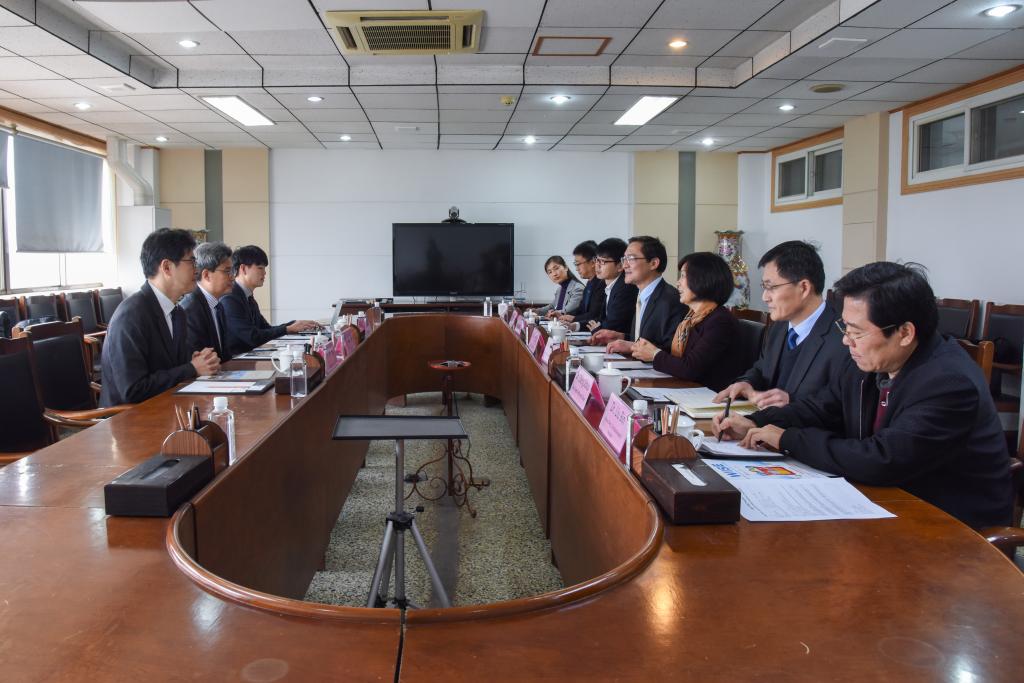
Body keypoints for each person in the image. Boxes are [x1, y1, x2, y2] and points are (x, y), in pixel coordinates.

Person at [713, 262, 1013, 530]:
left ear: (905, 333)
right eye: (844, 328)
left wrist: (786, 439)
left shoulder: (948, 383)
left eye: (856, 332)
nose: (846, 341)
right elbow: (821, 408)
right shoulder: (871, 362)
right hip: (884, 503)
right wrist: (756, 422)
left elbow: (883, 459)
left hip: (948, 527)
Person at [714, 240, 849, 409]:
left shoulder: (844, 339)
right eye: (764, 287)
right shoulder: (779, 328)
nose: (764, 297)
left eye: (771, 287)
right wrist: (746, 383)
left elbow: (840, 407)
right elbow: (761, 369)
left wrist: (791, 402)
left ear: (804, 288)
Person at [100, 229, 220, 406]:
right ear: (166, 267)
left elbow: (170, 366)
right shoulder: (131, 315)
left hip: (168, 405)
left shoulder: (178, 312)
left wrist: (195, 360)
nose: (197, 269)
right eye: (191, 261)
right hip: (128, 416)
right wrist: (192, 368)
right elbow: (133, 391)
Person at [631, 252, 744, 392]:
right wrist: (642, 349)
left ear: (704, 279)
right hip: (687, 389)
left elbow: (690, 368)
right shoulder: (691, 318)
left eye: (683, 276)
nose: (678, 282)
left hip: (710, 396)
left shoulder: (720, 321)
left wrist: (655, 354)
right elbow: (677, 356)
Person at [593, 235, 686, 354]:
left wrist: (632, 347)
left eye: (631, 258)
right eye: (624, 259)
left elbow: (673, 351)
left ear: (653, 263)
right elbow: (646, 339)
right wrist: (622, 337)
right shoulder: (642, 295)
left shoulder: (671, 300)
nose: (625, 265)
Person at [221, 245, 318, 355]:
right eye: (260, 268)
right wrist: (287, 329)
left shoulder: (248, 297)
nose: (264, 273)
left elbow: (266, 329)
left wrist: (294, 324)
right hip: (236, 361)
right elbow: (252, 337)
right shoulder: (230, 298)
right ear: (243, 269)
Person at [180, 241, 234, 362]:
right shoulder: (190, 310)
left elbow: (224, 354)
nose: (232, 277)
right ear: (206, 275)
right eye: (227, 271)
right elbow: (201, 360)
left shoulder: (218, 306)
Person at [573, 237, 638, 334]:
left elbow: (613, 325)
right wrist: (576, 325)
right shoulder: (608, 285)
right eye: (597, 260)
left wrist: (597, 328)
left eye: (603, 261)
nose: (597, 265)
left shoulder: (625, 288)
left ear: (620, 266)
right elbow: (601, 319)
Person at [558, 241, 604, 327]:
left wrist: (574, 319)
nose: (576, 269)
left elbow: (594, 314)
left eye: (578, 264)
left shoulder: (602, 283)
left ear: (593, 262)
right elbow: (581, 309)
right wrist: (563, 314)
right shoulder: (589, 283)